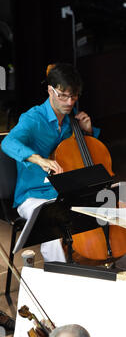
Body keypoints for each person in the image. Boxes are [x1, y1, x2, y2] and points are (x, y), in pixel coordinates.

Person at [1, 63, 100, 263]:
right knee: (53, 224)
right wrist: (39, 159)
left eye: (74, 96)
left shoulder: (70, 124)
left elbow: (87, 157)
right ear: (50, 90)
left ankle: (95, 263)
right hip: (32, 197)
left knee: (103, 204)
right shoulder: (32, 118)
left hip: (63, 194)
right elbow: (8, 142)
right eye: (63, 95)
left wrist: (87, 132)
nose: (69, 102)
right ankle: (60, 278)